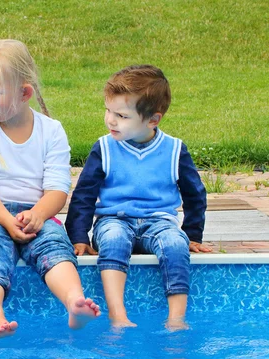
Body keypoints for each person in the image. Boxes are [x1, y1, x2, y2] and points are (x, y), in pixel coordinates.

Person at [0, 39, 100, 338]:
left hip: (37, 213)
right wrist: (7, 220)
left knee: (54, 246)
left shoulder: (51, 131)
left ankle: (75, 302)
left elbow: (57, 189)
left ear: (25, 93)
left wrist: (38, 214)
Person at [65, 64, 212, 331]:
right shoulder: (105, 147)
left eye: (121, 115)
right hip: (114, 220)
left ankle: (176, 318)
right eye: (108, 110)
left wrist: (191, 234)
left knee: (175, 244)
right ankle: (118, 314)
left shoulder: (174, 150)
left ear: (152, 120)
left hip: (160, 222)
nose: (110, 120)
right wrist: (78, 236)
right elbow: (84, 195)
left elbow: (195, 194)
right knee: (112, 239)